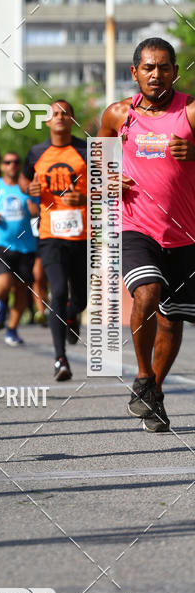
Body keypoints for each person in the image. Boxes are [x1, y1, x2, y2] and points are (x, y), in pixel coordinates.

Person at [98, 37, 195, 432]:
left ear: (175, 72)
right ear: (135, 72)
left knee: (172, 321)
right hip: (135, 226)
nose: (157, 75)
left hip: (185, 233)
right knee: (147, 292)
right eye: (149, 68)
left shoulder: (190, 112)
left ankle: (153, 392)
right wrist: (109, 179)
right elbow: (100, 163)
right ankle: (142, 377)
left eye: (164, 67)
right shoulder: (117, 114)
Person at [20, 100, 88, 381]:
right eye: (54, 114)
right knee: (58, 291)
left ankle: (72, 315)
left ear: (72, 119)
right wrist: (30, 188)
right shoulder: (37, 152)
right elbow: (24, 181)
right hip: (51, 235)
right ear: (47, 121)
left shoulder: (86, 150)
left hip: (83, 235)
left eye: (65, 113)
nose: (59, 117)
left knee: (81, 297)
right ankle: (60, 359)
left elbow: (107, 185)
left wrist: (85, 197)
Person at [0, 151, 38, 346]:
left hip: (26, 246)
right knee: (3, 283)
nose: (12, 165)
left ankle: (12, 329)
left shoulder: (27, 187)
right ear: (3, 166)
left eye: (16, 162)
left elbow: (39, 211)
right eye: (8, 162)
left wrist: (35, 211)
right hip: (2, 244)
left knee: (22, 288)